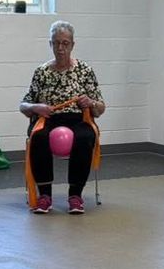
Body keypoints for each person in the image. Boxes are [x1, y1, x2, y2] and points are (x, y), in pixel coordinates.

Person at [20, 21, 105, 215]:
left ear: (72, 45)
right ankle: (45, 196)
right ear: (50, 44)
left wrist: (90, 103)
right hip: (48, 118)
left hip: (77, 119)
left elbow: (100, 108)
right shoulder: (41, 72)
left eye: (65, 43)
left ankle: (75, 195)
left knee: (84, 137)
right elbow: (23, 105)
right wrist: (36, 107)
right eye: (56, 43)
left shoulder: (84, 70)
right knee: (39, 137)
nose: (60, 48)